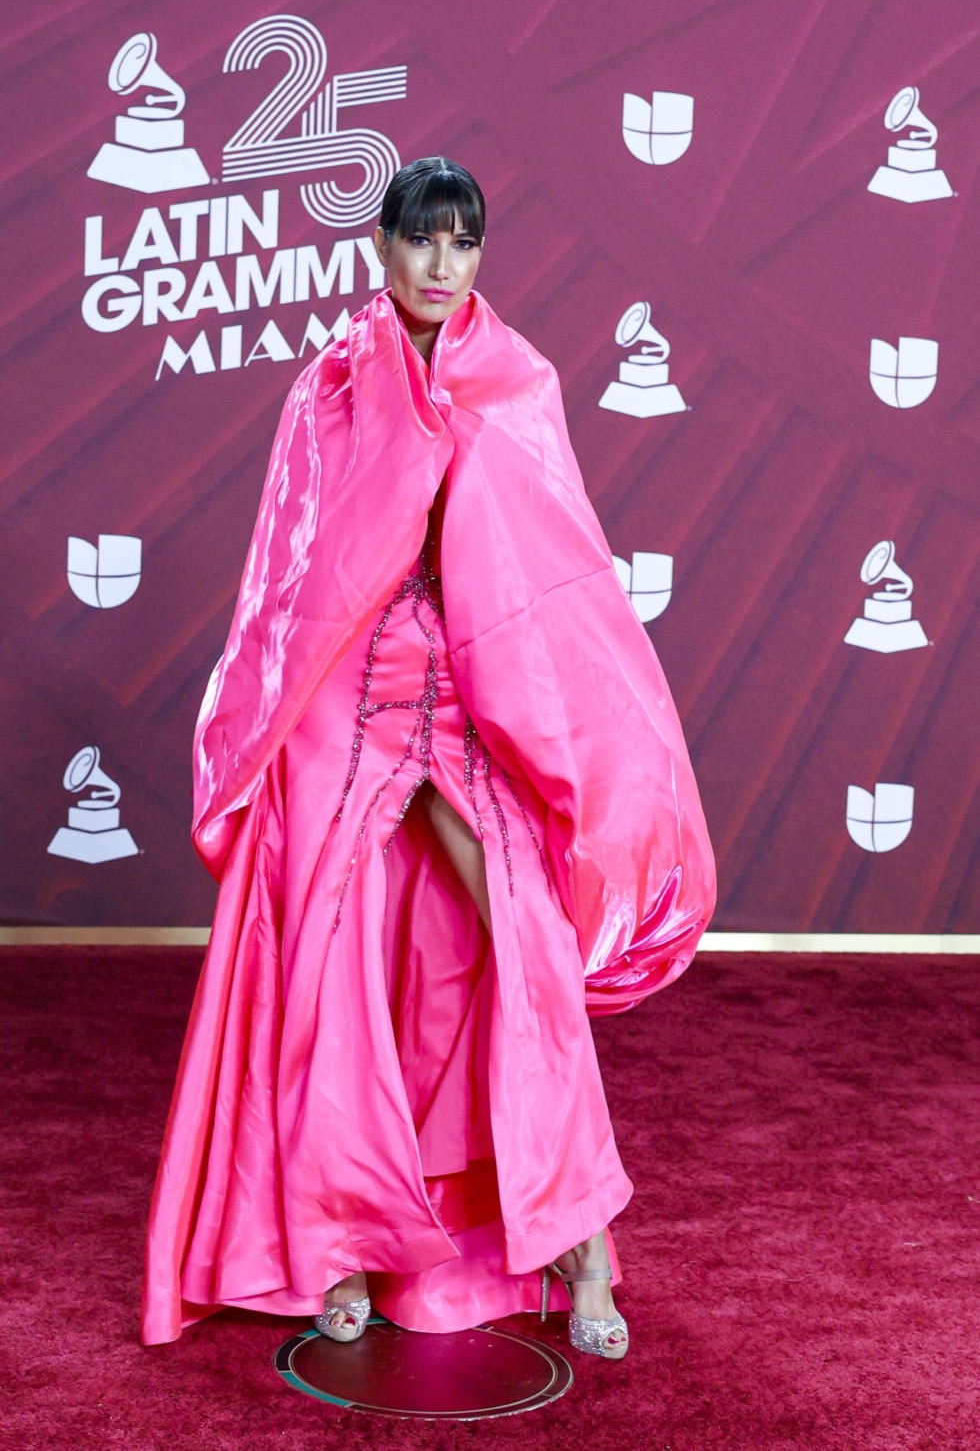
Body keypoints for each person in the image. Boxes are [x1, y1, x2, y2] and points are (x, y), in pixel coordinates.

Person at [141, 158, 715, 1363]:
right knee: (329, 961)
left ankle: (581, 1249)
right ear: (380, 249)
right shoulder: (331, 386)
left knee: (522, 949)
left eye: (463, 245)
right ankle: (339, 1247)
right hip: (343, 698)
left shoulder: (515, 382)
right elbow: (293, 572)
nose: (441, 267)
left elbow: (547, 567)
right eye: (421, 242)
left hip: (466, 691)